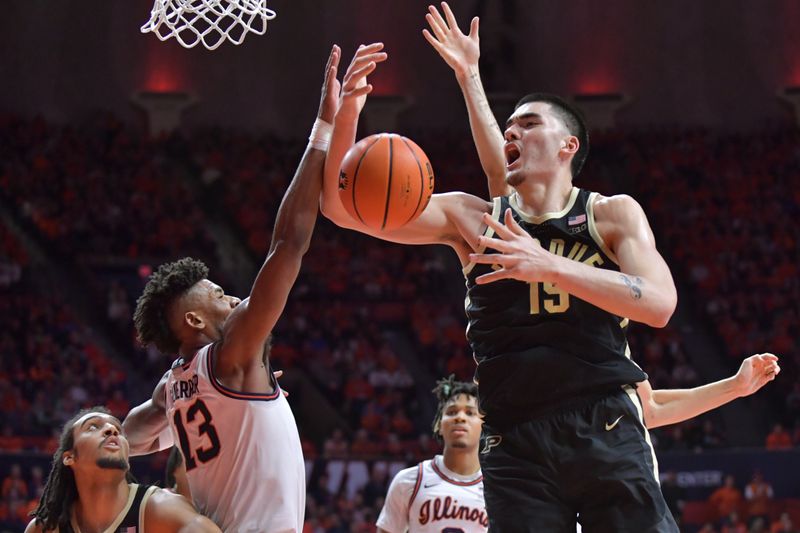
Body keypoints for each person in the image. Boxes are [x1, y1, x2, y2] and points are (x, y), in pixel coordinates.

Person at [321, 5, 780, 530]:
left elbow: (659, 303)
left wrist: (549, 266)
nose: (512, 133)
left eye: (529, 124)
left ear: (568, 145)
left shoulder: (610, 214)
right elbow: (340, 210)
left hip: (604, 421)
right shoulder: (473, 219)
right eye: (508, 126)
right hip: (515, 441)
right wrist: (348, 113)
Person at [121, 44, 379, 532]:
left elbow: (129, 434)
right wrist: (322, 130)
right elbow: (288, 243)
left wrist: (91, 437)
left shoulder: (172, 387)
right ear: (194, 321)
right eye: (217, 295)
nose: (233, 297)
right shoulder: (233, 354)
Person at [25, 407, 219, 533]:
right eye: (93, 427)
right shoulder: (46, 529)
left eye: (117, 428)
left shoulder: (159, 510)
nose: (112, 429)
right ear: (69, 457)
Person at [377, 376, 486, 533]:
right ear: (439, 425)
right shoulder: (409, 480)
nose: (460, 417)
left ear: (484, 426)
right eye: (452, 411)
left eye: (470, 413)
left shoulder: (496, 487)